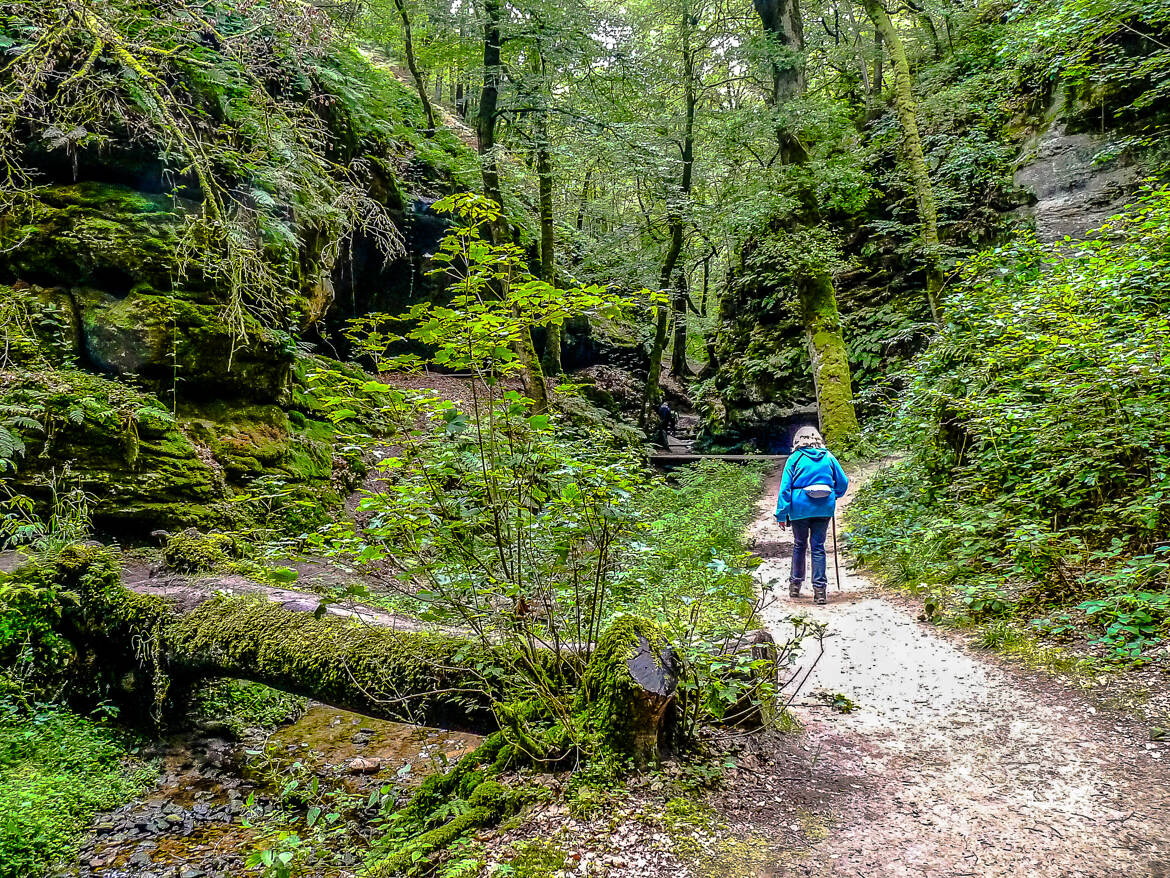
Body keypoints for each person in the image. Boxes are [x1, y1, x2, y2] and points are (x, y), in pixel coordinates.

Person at [774, 425, 848, 605]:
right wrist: (833, 494)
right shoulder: (829, 457)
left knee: (800, 544)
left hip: (799, 508)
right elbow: (843, 482)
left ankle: (795, 585)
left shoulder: (794, 459)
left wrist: (782, 515)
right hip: (824, 508)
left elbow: (784, 489)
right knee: (818, 547)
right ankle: (820, 591)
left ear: (797, 441)